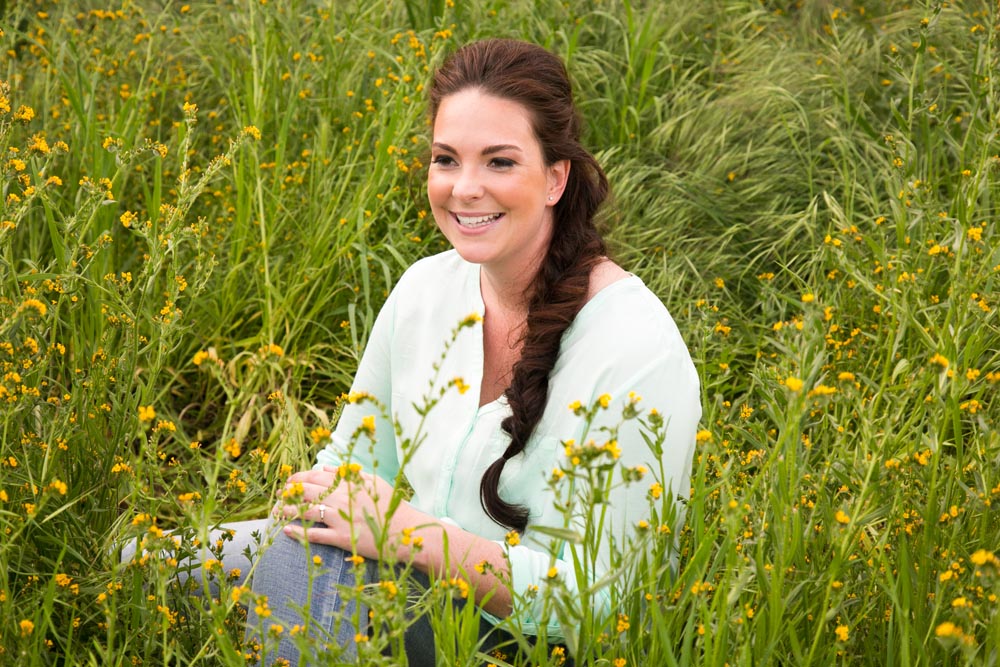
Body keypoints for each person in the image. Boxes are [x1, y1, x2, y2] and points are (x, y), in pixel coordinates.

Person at [243, 38, 701, 665]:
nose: (464, 189)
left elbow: (607, 601)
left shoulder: (635, 348)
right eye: (445, 159)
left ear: (556, 178)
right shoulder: (424, 290)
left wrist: (413, 536)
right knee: (153, 565)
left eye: (500, 162)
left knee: (298, 572)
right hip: (409, 577)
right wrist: (318, 501)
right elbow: (351, 466)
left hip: (528, 640)